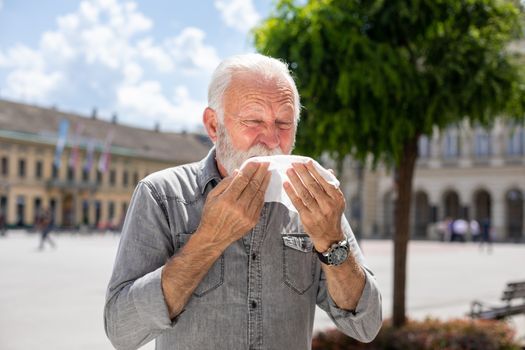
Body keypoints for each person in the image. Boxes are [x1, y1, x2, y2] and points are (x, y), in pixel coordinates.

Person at [104, 54, 382, 349]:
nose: (272, 139)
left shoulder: (314, 202)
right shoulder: (162, 195)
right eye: (254, 120)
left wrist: (331, 242)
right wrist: (209, 240)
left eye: (284, 123)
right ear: (214, 126)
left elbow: (365, 324)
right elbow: (122, 331)